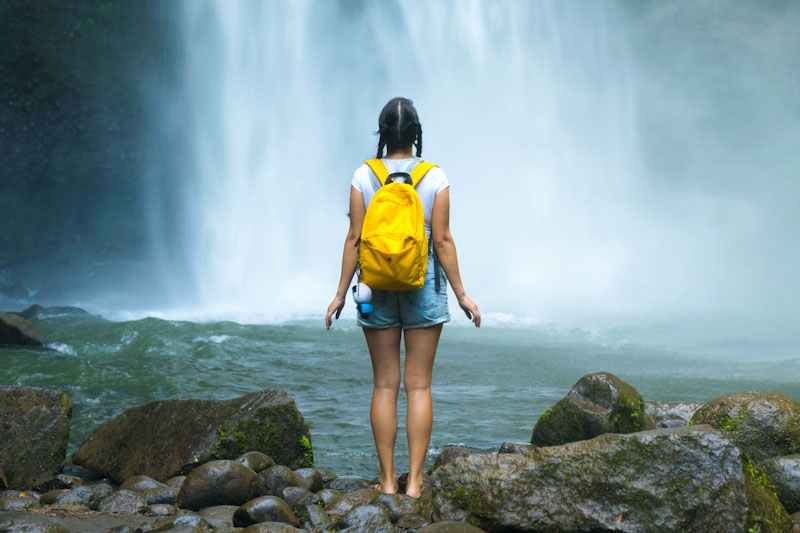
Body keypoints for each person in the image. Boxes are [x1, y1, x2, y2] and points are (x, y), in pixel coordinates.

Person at [326, 97, 480, 499]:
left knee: (383, 386)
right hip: (422, 282)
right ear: (416, 135)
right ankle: (415, 482)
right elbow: (442, 240)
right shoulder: (435, 177)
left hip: (373, 286)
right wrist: (462, 294)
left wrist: (340, 293)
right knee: (418, 387)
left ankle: (388, 481)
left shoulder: (364, 176)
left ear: (382, 135)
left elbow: (354, 239)